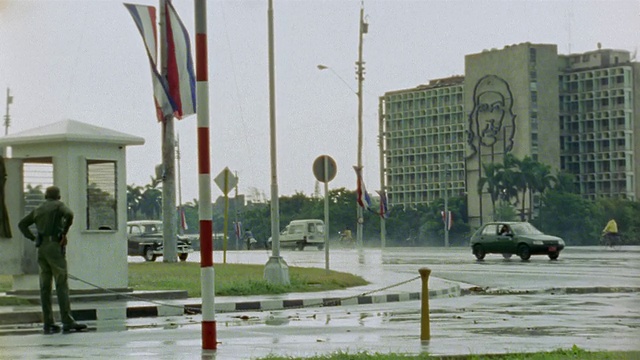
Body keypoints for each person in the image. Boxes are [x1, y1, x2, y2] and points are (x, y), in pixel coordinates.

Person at [18, 186, 87, 334]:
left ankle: (48, 321)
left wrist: (33, 237)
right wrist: (64, 232)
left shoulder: (38, 208)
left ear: (45, 196)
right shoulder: (58, 205)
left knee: (45, 286)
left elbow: (22, 224)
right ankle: (67, 320)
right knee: (61, 283)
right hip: (54, 247)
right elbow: (69, 214)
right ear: (58, 196)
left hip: (41, 248)